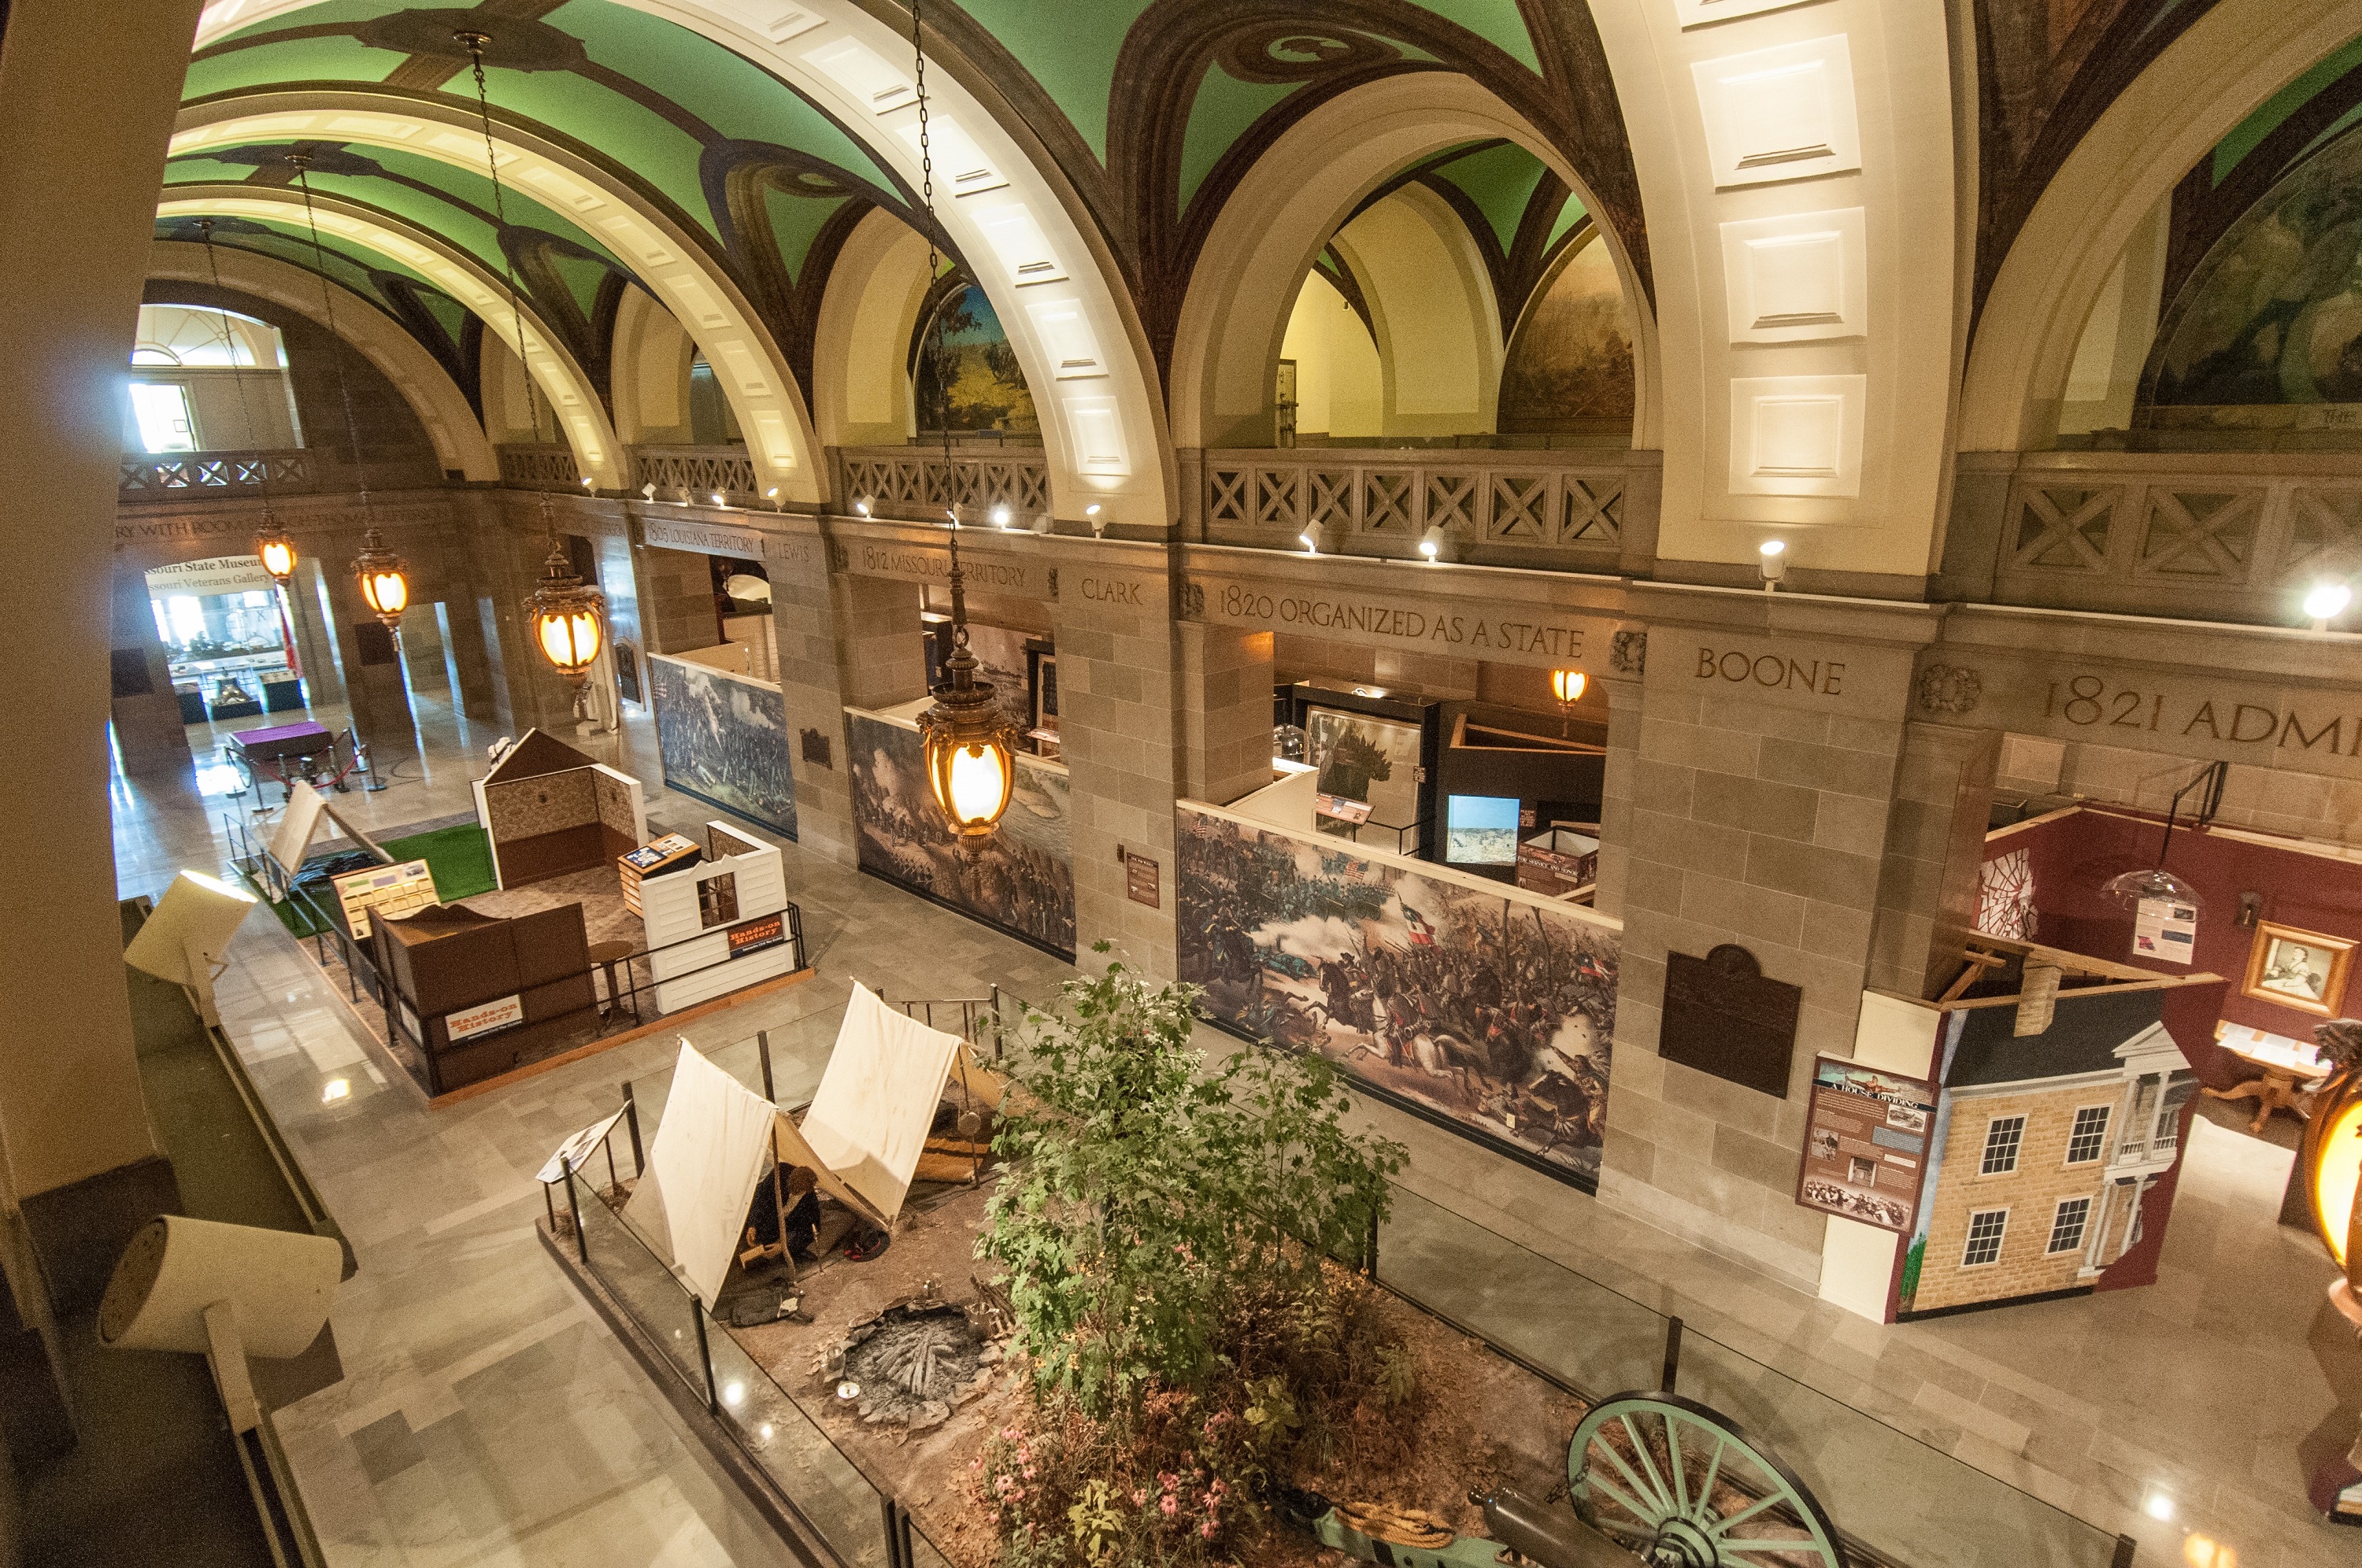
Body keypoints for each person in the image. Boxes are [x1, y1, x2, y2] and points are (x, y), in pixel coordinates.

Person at [742, 1163, 822, 1263]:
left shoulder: (809, 1200)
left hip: (787, 1221)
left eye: (798, 1191)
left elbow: (812, 1229)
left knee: (770, 1254)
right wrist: (753, 1225)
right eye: (791, 1189)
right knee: (752, 1242)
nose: (793, 1193)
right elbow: (760, 1198)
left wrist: (785, 1247)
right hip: (770, 1215)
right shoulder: (780, 1173)